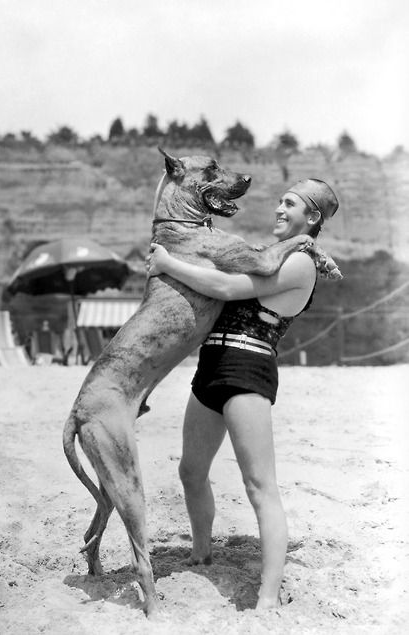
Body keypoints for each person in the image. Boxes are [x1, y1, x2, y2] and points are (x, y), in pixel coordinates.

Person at [146, 178, 339, 609]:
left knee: (259, 486)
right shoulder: (272, 254)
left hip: (248, 369)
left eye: (289, 203)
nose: (278, 208)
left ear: (312, 217)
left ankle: (267, 598)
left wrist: (167, 264)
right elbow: (217, 271)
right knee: (191, 472)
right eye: (279, 200)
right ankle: (202, 553)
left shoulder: (301, 263)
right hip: (211, 367)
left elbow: (228, 289)